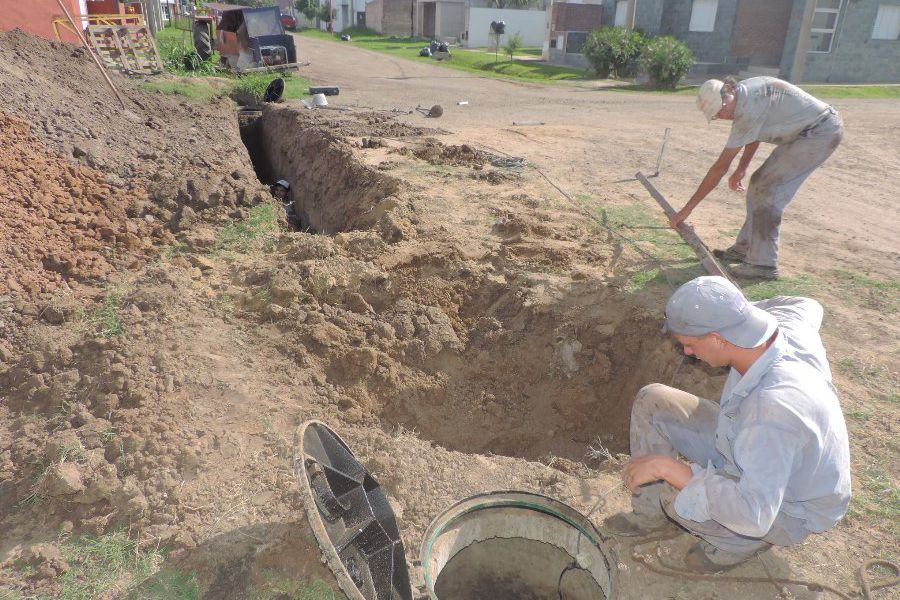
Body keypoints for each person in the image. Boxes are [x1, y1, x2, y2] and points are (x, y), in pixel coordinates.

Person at [604, 276, 850, 572]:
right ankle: (648, 515)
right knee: (652, 400)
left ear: (718, 338)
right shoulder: (784, 324)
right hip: (745, 446)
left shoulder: (772, 411)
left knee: (678, 494)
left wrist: (669, 469)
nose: (687, 353)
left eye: (691, 345)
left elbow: (754, 513)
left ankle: (739, 543)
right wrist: (732, 308)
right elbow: (809, 305)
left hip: (788, 504)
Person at [671, 77, 844, 280]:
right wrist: (741, 169)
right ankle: (746, 248)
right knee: (758, 182)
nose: (723, 117)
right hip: (807, 131)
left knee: (768, 189)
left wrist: (687, 209)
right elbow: (754, 135)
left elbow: (719, 168)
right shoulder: (744, 94)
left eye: (720, 111)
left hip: (819, 132)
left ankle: (763, 264)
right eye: (717, 116)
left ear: (727, 95)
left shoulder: (748, 107)